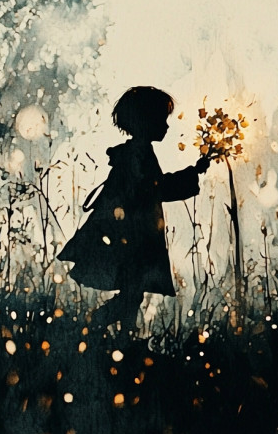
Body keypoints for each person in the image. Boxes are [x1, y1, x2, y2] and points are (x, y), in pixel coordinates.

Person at [57, 86, 209, 335]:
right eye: (162, 120)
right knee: (132, 293)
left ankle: (120, 336)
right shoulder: (137, 154)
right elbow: (153, 189)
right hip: (132, 239)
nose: (166, 127)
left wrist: (191, 172)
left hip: (129, 237)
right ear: (146, 121)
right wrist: (191, 174)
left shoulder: (133, 153)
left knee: (132, 292)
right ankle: (95, 326)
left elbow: (152, 188)